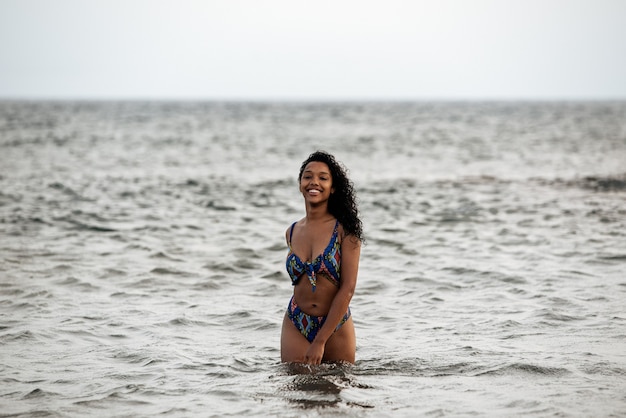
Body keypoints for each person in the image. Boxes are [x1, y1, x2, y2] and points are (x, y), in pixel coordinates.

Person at [281, 151, 363, 365]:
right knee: (293, 390)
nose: (313, 182)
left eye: (323, 178)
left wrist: (320, 340)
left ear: (333, 187)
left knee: (336, 388)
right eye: (307, 176)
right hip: (296, 320)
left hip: (335, 324)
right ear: (300, 184)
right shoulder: (291, 231)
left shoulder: (345, 232)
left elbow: (348, 288)